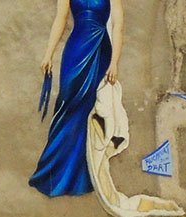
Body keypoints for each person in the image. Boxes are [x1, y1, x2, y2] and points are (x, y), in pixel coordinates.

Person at [30, 0, 121, 197]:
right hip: (76, 48)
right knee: (67, 104)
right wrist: (49, 54)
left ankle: (82, 176)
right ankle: (53, 171)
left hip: (99, 49)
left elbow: (118, 25)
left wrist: (114, 62)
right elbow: (60, 19)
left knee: (88, 110)